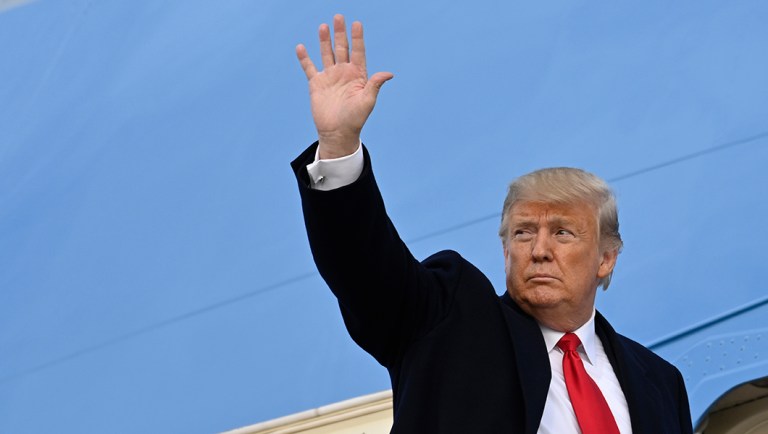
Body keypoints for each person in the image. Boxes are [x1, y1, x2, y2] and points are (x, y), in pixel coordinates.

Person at [292, 14, 693, 434]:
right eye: (523, 232)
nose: (539, 249)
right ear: (505, 250)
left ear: (606, 258)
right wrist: (339, 145)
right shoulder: (448, 321)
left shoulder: (661, 382)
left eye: (562, 232)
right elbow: (365, 270)